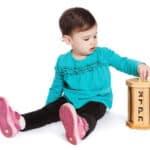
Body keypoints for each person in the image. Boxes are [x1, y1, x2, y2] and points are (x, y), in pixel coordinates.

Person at [0, 7, 150, 145]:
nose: (93, 41)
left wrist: (138, 66)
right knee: (48, 112)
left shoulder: (102, 54)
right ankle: (19, 122)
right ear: (68, 40)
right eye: (86, 39)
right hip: (70, 100)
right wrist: (49, 107)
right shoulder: (63, 61)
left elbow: (122, 62)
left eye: (95, 36)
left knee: (92, 112)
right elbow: (57, 86)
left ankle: (81, 126)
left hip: (97, 98)